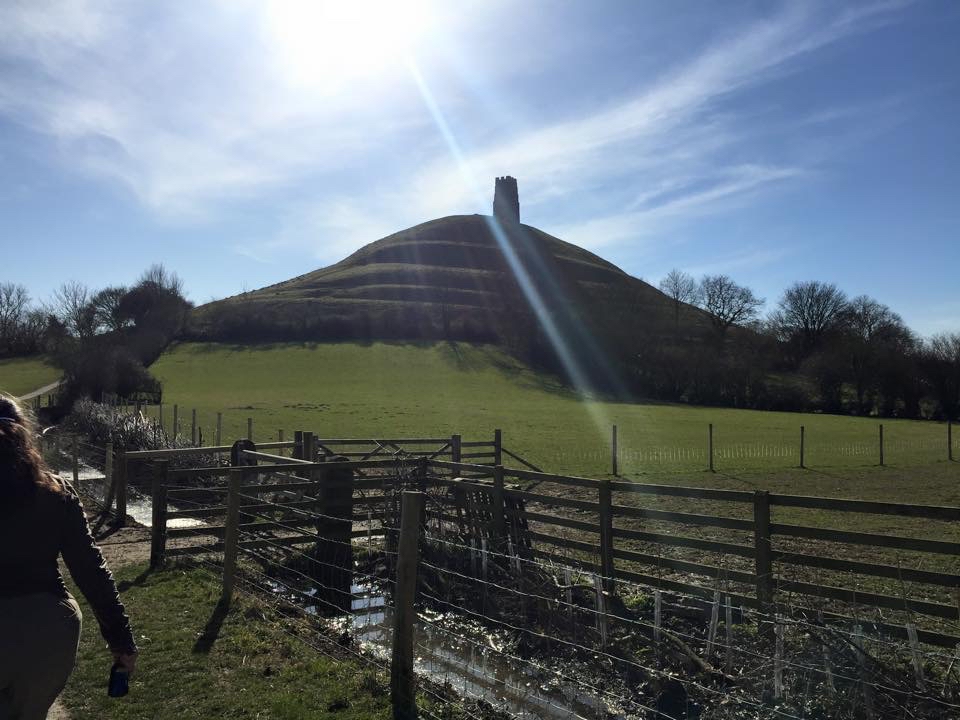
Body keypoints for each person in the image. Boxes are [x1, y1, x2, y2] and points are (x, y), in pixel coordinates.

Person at [0, 394, 137, 720]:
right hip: (49, 630)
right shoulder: (55, 493)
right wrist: (121, 641)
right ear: (26, 436)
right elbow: (90, 568)